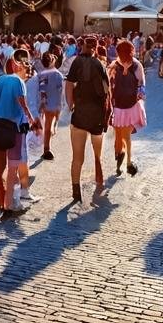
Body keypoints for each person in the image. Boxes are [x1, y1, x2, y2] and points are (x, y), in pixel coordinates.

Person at [0, 48, 36, 219]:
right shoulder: (18, 82)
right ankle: (11, 205)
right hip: (13, 128)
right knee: (13, 167)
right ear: (18, 67)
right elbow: (21, 102)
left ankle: (2, 202)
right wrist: (32, 119)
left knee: (0, 168)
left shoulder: (0, 80)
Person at [65, 35, 110, 203]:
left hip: (80, 116)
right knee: (97, 154)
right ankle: (100, 179)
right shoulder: (100, 64)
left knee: (77, 158)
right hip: (97, 116)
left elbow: (69, 85)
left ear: (83, 45)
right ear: (96, 47)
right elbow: (107, 91)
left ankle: (76, 192)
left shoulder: (76, 62)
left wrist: (71, 105)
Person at [108, 39, 146, 178]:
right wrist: (140, 99)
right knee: (127, 136)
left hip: (118, 105)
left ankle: (119, 158)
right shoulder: (137, 65)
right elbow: (142, 85)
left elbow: (110, 86)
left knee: (118, 135)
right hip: (132, 105)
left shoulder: (113, 65)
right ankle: (129, 161)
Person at [37, 52, 64, 161]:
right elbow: (60, 90)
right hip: (55, 102)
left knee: (47, 125)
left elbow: (41, 89)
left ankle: (46, 146)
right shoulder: (58, 75)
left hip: (46, 102)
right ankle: (46, 148)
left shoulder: (41, 74)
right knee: (50, 125)